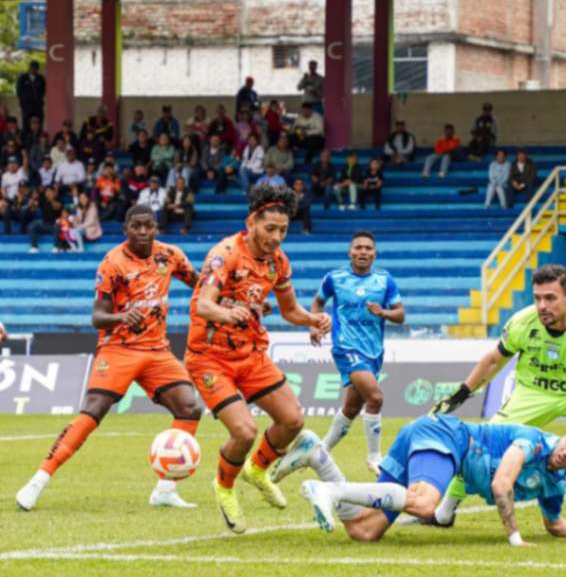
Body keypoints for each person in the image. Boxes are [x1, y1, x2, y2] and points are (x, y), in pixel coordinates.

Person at [432, 264, 566, 534]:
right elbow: (493, 361)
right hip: (532, 392)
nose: (542, 305)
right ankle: (444, 513)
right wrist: (462, 393)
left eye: (550, 298)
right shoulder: (523, 322)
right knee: (480, 443)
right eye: (537, 298)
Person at [16, 204, 202, 512]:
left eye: (148, 226)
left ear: (155, 228)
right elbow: (97, 317)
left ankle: (165, 489)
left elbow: (199, 284)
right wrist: (120, 317)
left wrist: (229, 301)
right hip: (118, 349)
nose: (143, 232)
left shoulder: (170, 255)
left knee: (190, 407)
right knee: (93, 411)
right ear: (125, 228)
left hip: (157, 351)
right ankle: (39, 479)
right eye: (136, 226)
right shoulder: (112, 263)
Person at [184, 183, 331, 534]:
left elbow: (290, 310)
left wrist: (313, 320)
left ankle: (257, 469)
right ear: (252, 222)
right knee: (244, 430)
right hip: (210, 357)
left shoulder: (278, 262)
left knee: (293, 420)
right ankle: (224, 486)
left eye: (283, 230)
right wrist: (225, 313)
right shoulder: (226, 254)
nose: (277, 237)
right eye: (270, 229)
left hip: (251, 354)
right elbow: (204, 304)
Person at [289, 415, 566, 546]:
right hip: (444, 435)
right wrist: (515, 538)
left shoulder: (556, 482)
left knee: (363, 532)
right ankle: (331, 491)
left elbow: (555, 524)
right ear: (563, 435)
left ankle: (319, 458)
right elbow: (501, 484)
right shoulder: (533, 440)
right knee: (425, 503)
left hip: (429, 440)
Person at [296, 230, 404, 475]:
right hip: (346, 348)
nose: (363, 252)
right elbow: (317, 303)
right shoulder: (334, 278)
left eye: (368, 248)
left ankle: (319, 450)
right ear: (350, 252)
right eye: (358, 248)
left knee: (352, 409)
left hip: (373, 351)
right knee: (375, 398)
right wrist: (314, 324)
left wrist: (383, 312)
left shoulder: (385, 280)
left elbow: (400, 314)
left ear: (375, 254)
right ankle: (375, 457)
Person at [27, 185, 62, 253]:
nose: (48, 193)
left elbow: (57, 207)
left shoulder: (58, 200)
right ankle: (34, 247)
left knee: (57, 227)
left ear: (54, 193)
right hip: (44, 224)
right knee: (32, 226)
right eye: (47, 192)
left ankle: (55, 247)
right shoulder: (43, 200)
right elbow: (35, 204)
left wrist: (51, 200)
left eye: (50, 192)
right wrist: (32, 202)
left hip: (53, 225)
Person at [16, 60, 46, 130]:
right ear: (29, 68)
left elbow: (43, 91)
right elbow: (18, 90)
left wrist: (39, 99)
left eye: (35, 68)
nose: (33, 69)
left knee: (39, 122)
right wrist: (23, 101)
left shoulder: (40, 78)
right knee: (26, 123)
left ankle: (38, 137)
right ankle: (26, 138)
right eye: (32, 67)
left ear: (37, 69)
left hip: (38, 105)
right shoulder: (23, 77)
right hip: (26, 106)